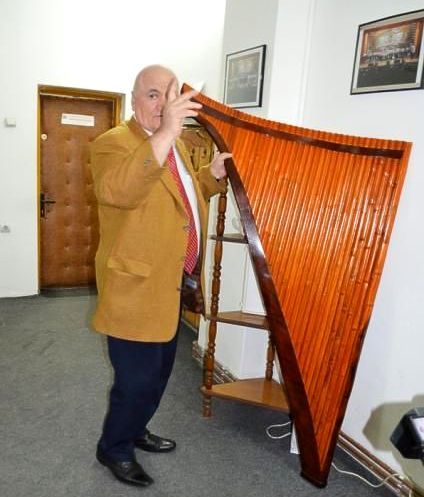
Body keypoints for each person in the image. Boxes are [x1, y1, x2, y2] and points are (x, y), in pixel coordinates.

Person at [89, 64, 231, 487]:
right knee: (135, 382)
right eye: (153, 94)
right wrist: (167, 133)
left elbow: (179, 197)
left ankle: (136, 430)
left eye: (170, 94)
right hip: (135, 288)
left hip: (173, 286)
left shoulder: (181, 148)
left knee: (160, 375)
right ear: (133, 100)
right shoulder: (111, 144)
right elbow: (121, 191)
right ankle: (113, 448)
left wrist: (211, 177)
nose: (163, 103)